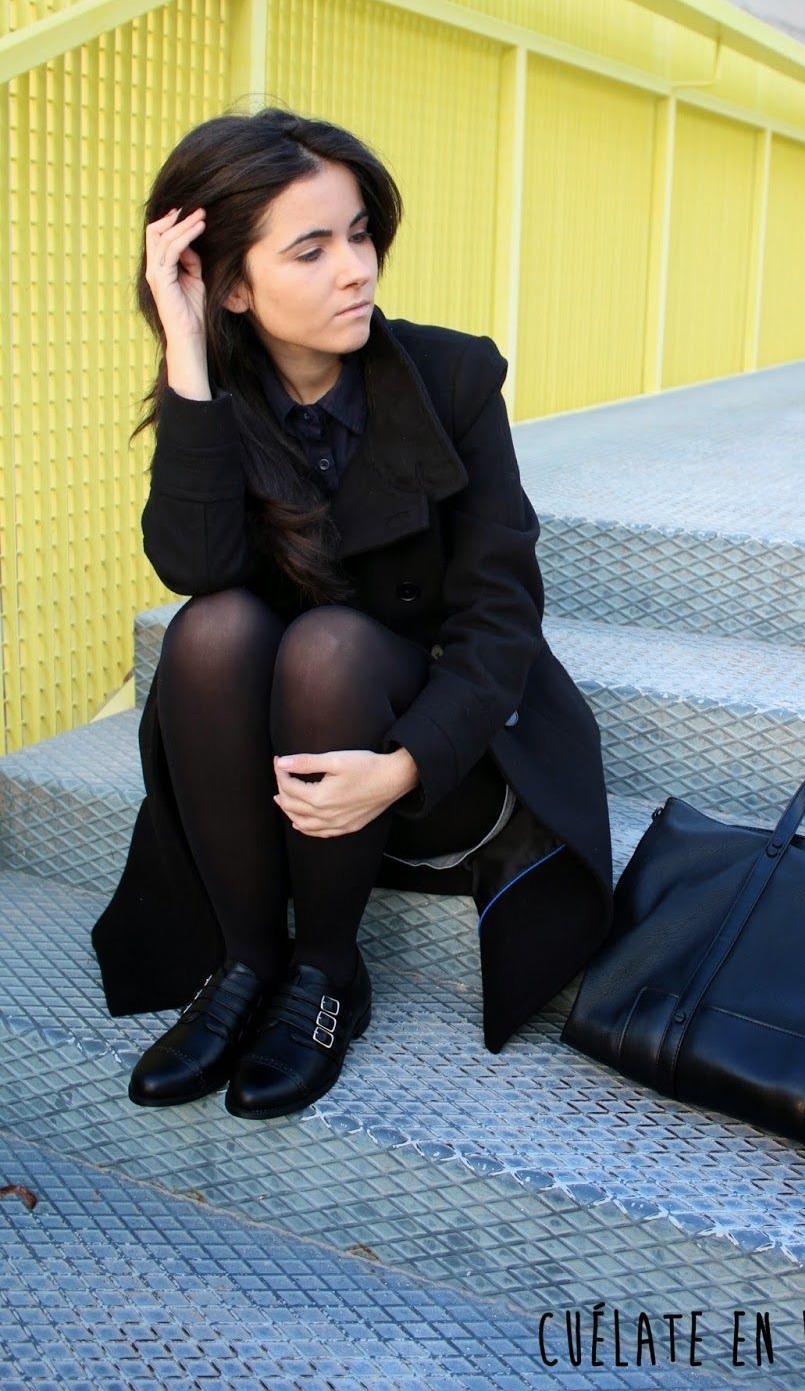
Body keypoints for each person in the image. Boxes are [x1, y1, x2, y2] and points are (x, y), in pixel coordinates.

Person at [90, 107, 614, 1121]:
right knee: (211, 628)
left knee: (327, 647)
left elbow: (501, 619)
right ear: (233, 285)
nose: (356, 270)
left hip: (431, 752)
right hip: (276, 771)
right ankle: (247, 962)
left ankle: (327, 971)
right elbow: (196, 566)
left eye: (361, 235)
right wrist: (186, 352)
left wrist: (403, 765)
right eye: (312, 249)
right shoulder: (221, 406)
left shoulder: (453, 378)